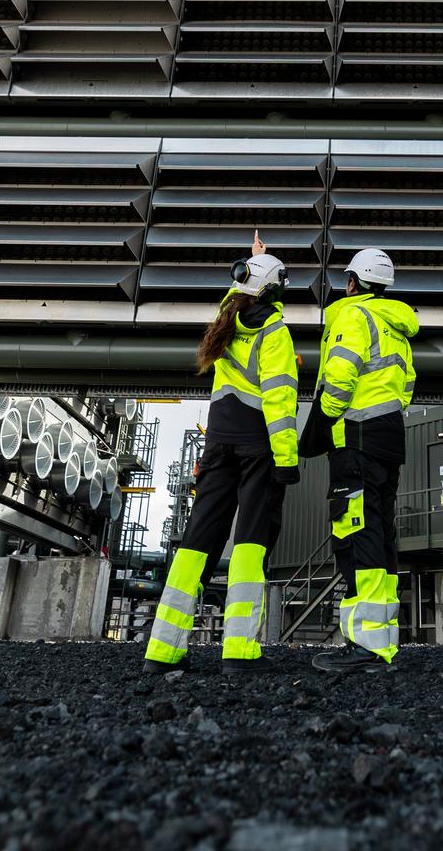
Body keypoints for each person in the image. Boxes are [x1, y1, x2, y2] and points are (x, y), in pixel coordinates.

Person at [143, 248, 299, 671]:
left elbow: (236, 291)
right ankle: (239, 652)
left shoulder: (225, 322)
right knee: (250, 545)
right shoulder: (274, 332)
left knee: (196, 544)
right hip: (258, 446)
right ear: (276, 289)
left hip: (219, 443)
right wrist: (286, 459)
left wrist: (254, 262)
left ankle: (162, 651)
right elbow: (281, 400)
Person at [311, 248, 419, 674]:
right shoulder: (396, 327)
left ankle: (365, 646)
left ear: (354, 282)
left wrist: (324, 418)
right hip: (388, 436)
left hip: (355, 437)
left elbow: (339, 375)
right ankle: (382, 641)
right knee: (381, 533)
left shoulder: (353, 317)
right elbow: (407, 384)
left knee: (357, 532)